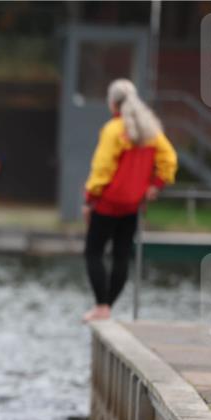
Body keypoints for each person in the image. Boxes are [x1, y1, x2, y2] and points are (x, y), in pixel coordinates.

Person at [82, 79, 177, 322]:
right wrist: (155, 185)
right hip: (132, 205)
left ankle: (102, 306)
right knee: (121, 255)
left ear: (112, 103)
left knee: (93, 252)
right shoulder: (151, 131)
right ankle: (107, 306)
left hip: (108, 203)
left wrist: (90, 198)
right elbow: (169, 160)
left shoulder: (113, 129)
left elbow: (102, 168)